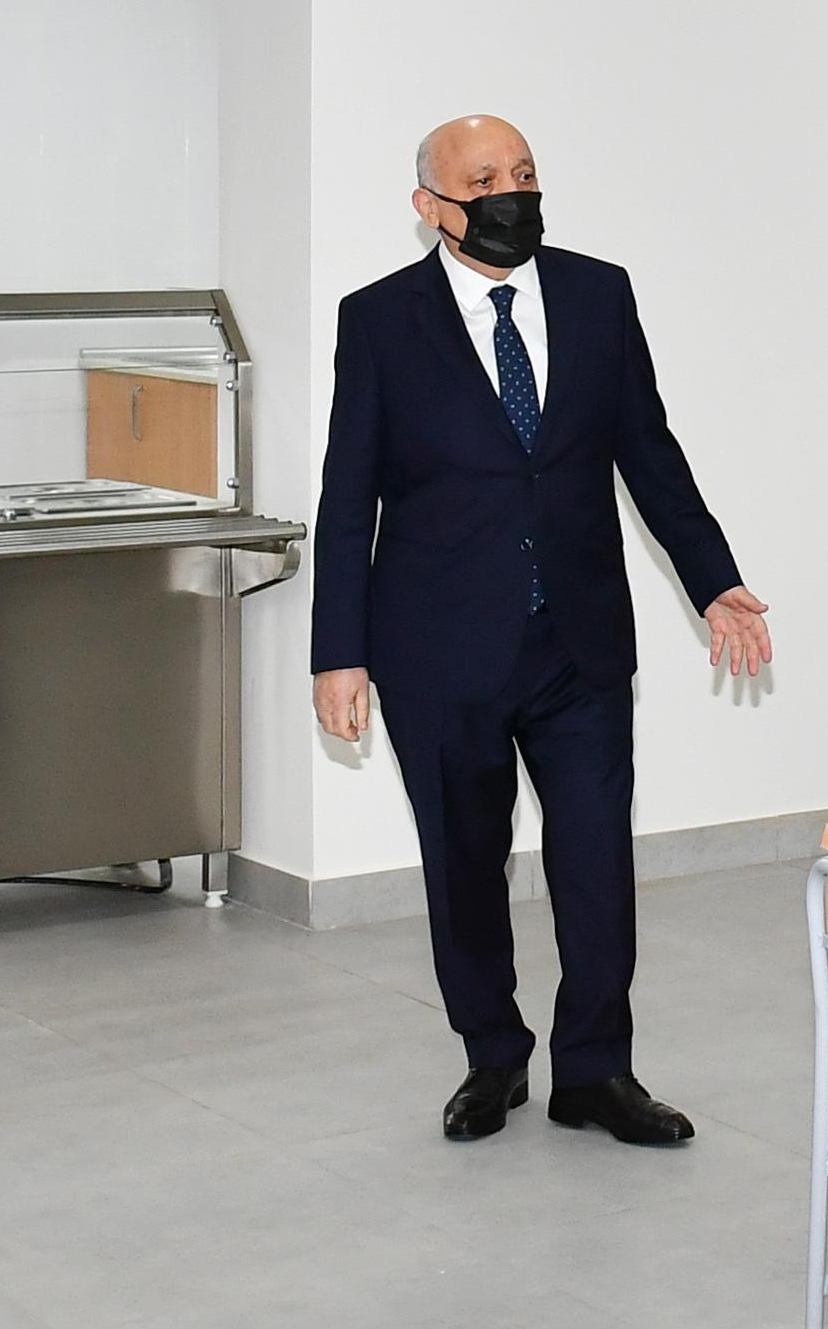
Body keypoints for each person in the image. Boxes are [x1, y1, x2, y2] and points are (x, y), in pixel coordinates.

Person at [311, 116, 773, 1146]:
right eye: (483, 180)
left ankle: (597, 1070)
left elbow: (649, 450)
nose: (510, 193)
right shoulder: (380, 319)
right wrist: (338, 652)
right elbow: (349, 495)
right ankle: (492, 1054)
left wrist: (714, 580)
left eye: (523, 173)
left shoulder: (598, 293)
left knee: (597, 858)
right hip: (438, 646)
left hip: (579, 638)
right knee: (465, 862)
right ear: (431, 206)